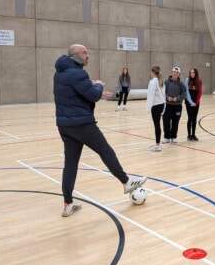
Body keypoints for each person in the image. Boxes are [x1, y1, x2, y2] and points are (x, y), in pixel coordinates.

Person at [54, 44, 147, 217]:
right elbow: (93, 95)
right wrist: (97, 86)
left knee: (70, 164)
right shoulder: (78, 73)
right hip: (81, 123)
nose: (88, 56)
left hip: (65, 125)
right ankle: (126, 182)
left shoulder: (60, 72)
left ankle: (68, 203)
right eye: (84, 53)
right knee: (105, 150)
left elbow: (76, 93)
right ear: (75, 55)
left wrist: (92, 88)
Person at [163, 67, 186, 143]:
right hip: (167, 105)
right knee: (166, 121)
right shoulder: (166, 82)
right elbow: (163, 92)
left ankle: (174, 136)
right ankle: (166, 137)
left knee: (175, 122)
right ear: (171, 73)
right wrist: (167, 97)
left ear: (179, 74)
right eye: (173, 72)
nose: (174, 73)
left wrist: (177, 98)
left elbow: (184, 94)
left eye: (176, 72)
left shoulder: (181, 84)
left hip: (177, 106)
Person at [147, 66, 166, 152]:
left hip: (156, 106)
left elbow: (150, 95)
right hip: (161, 105)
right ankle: (158, 143)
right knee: (158, 125)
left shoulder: (153, 82)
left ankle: (158, 145)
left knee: (157, 125)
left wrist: (148, 107)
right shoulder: (160, 81)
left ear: (153, 72)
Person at [185, 68, 202, 141]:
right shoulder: (187, 80)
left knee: (194, 118)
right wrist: (191, 102)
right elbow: (186, 92)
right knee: (190, 118)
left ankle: (193, 134)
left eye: (193, 73)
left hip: (196, 103)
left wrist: (196, 102)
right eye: (191, 72)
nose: (192, 74)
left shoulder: (199, 81)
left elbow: (200, 92)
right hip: (189, 103)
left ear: (196, 73)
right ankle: (189, 135)